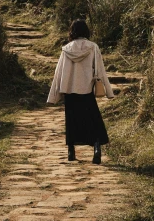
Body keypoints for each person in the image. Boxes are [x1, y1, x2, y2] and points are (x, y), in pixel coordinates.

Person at [47, 19, 115, 164]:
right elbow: (100, 70)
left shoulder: (66, 49)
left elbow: (58, 73)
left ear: (72, 32)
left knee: (72, 121)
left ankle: (71, 152)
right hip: (86, 90)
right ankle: (96, 149)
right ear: (86, 31)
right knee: (93, 121)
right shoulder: (93, 47)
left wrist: (53, 96)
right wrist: (108, 91)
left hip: (69, 91)